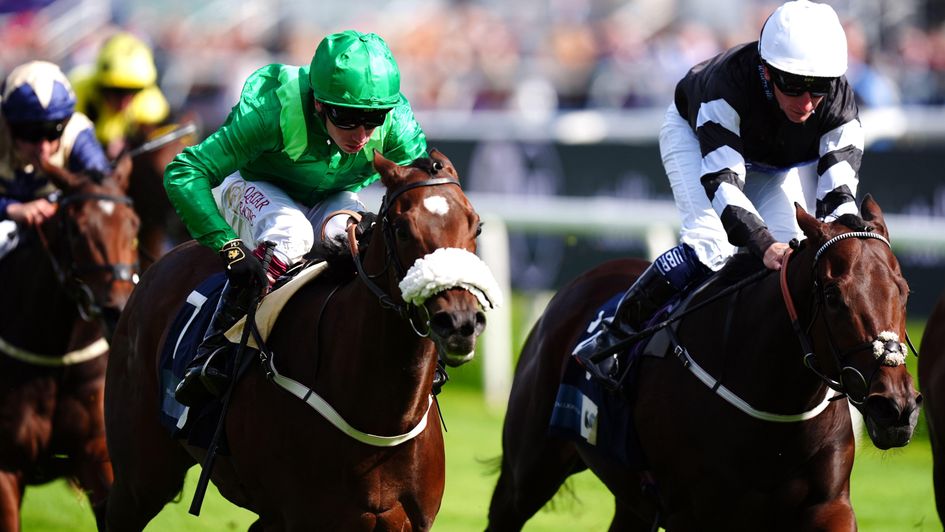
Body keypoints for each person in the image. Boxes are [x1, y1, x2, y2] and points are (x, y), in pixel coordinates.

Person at [574, 0, 863, 368]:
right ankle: (613, 338)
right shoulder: (729, 85)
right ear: (768, 71)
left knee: (799, 259)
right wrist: (762, 243)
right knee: (710, 244)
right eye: (793, 85)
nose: (807, 103)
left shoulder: (840, 104)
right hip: (696, 140)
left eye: (819, 87)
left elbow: (839, 201)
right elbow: (723, 182)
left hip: (771, 165)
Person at [166, 30, 428, 406]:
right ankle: (216, 348)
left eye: (373, 120)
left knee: (352, 238)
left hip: (328, 197)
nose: (361, 134)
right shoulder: (271, 112)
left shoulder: (397, 126)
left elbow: (423, 194)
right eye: (348, 118)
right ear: (320, 105)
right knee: (292, 235)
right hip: (255, 185)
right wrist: (228, 246)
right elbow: (185, 171)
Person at [0, 61, 113, 261]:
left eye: (53, 131)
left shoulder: (78, 134)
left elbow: (104, 192)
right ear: (9, 125)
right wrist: (11, 208)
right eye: (31, 133)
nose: (43, 147)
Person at [69, 31, 171, 159]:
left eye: (134, 91)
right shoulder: (77, 92)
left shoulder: (149, 101)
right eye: (116, 91)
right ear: (100, 84)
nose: (124, 102)